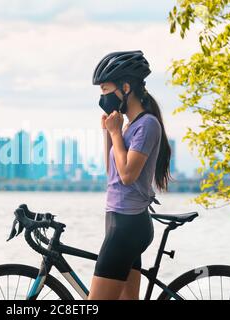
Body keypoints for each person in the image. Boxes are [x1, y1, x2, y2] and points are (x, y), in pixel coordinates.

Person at [88, 51, 172, 300]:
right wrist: (108, 133)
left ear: (125, 87)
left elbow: (127, 175)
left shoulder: (147, 125)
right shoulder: (129, 126)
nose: (102, 97)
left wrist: (115, 134)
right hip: (119, 221)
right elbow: (112, 172)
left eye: (105, 89)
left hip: (127, 226)